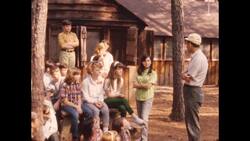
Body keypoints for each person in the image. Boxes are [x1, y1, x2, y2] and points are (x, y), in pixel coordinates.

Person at [182, 33, 208, 141]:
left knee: (192, 123)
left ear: (191, 44)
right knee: (191, 121)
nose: (186, 45)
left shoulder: (198, 58)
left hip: (193, 91)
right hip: (192, 92)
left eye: (187, 43)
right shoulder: (195, 57)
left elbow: (189, 77)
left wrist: (182, 75)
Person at [104, 61, 145, 125]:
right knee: (123, 100)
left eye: (122, 69)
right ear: (114, 70)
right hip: (106, 100)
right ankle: (134, 117)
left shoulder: (120, 80)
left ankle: (123, 123)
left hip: (113, 100)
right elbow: (109, 95)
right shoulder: (108, 80)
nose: (121, 70)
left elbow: (116, 93)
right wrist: (118, 95)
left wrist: (118, 95)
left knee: (123, 108)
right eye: (119, 69)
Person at [133, 55, 157, 141]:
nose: (147, 63)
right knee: (140, 118)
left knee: (144, 118)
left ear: (150, 62)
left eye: (148, 61)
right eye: (145, 61)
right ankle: (142, 137)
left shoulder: (153, 73)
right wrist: (143, 85)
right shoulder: (138, 71)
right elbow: (134, 84)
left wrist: (139, 85)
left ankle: (144, 138)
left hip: (148, 98)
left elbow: (149, 86)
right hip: (138, 97)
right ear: (142, 62)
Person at [82, 61, 110, 132]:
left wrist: (100, 101)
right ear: (91, 71)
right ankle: (96, 129)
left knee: (105, 109)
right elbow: (85, 97)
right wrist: (94, 102)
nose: (99, 72)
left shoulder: (101, 80)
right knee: (96, 110)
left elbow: (101, 93)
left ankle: (105, 129)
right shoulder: (86, 82)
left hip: (98, 100)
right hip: (88, 102)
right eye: (97, 70)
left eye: (100, 70)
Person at [59, 68, 83, 141]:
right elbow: (65, 101)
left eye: (79, 74)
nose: (79, 76)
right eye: (77, 75)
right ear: (72, 75)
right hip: (66, 105)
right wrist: (76, 107)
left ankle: (81, 133)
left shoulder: (78, 83)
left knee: (86, 113)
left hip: (75, 104)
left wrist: (79, 106)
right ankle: (75, 136)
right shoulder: (65, 85)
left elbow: (79, 96)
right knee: (75, 114)